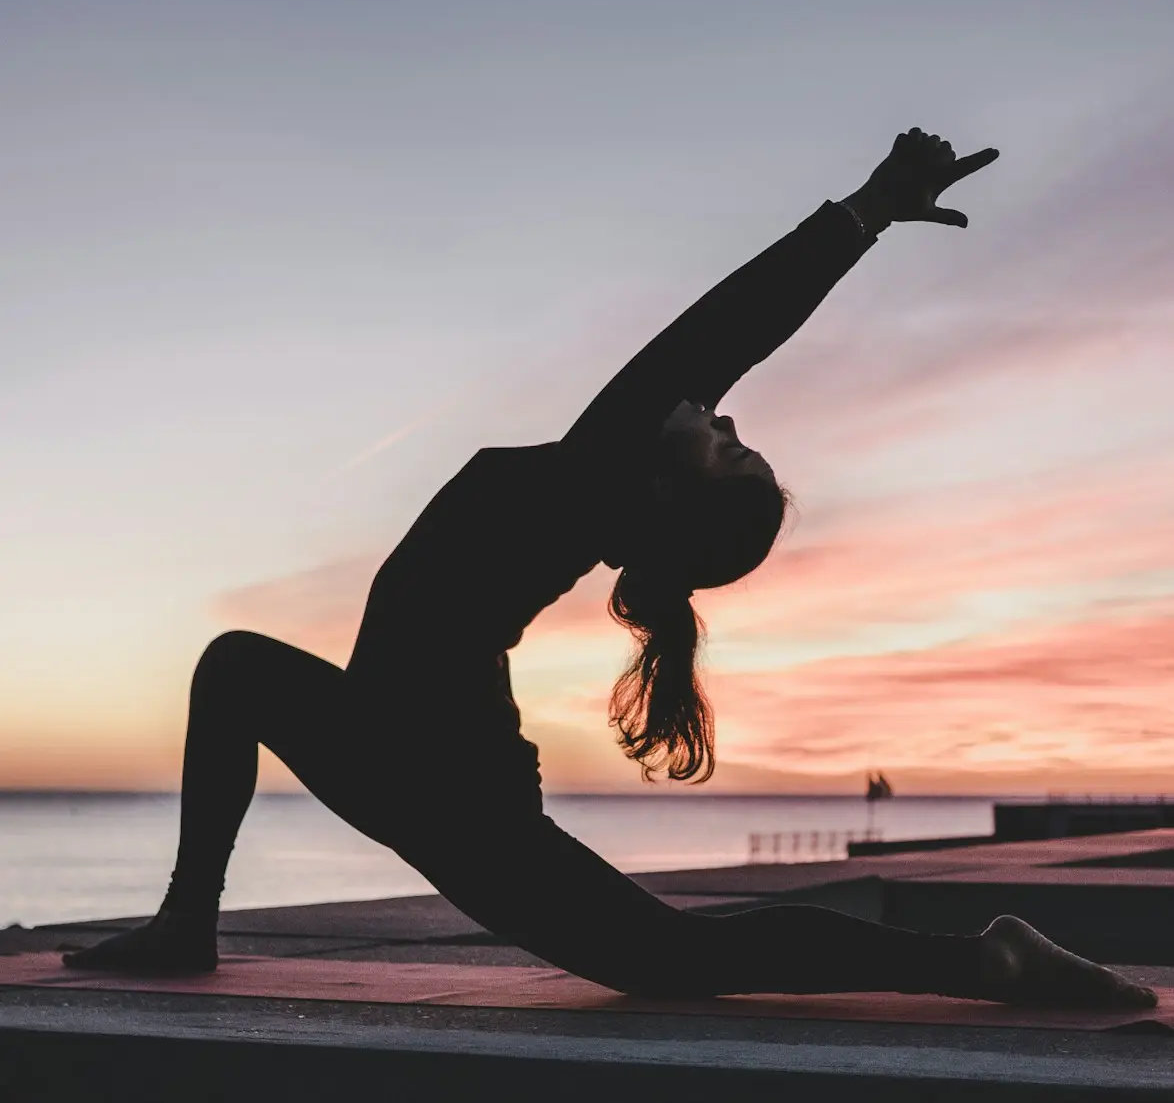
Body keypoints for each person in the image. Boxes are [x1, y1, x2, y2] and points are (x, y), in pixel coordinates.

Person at [63, 129, 1156, 1010]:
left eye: (728, 447)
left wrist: (865, 210)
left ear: (669, 495)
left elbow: (727, 328)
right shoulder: (594, 488)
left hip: (445, 783)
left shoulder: (596, 475)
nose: (724, 417)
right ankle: (188, 921)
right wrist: (864, 213)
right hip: (399, 749)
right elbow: (717, 351)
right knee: (236, 667)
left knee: (672, 961)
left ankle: (985, 960)